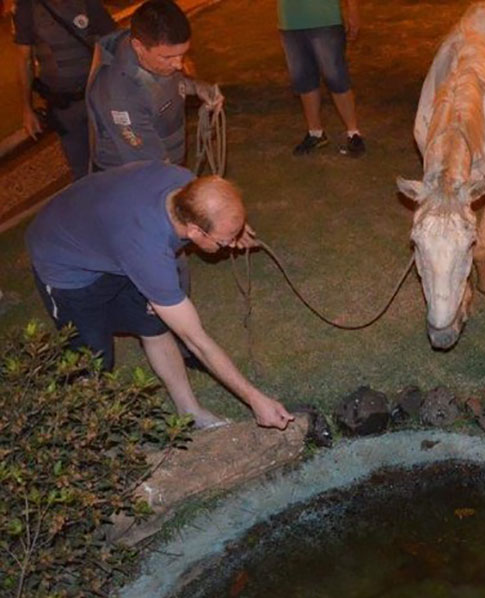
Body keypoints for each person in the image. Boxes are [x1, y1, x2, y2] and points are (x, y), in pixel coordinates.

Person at [25, 160, 294, 430]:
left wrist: (232, 228)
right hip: (64, 261)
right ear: (195, 231)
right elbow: (197, 341)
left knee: (154, 325)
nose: (229, 246)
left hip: (110, 235)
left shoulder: (187, 188)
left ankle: (190, 412)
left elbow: (213, 210)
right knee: (91, 360)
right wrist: (255, 399)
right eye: (224, 241)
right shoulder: (147, 251)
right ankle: (82, 439)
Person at [86, 0, 222, 171]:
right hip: (135, 179)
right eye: (168, 57)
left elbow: (169, 82)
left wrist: (196, 87)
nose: (179, 65)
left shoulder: (152, 48)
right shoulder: (121, 97)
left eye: (182, 54)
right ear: (139, 47)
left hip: (165, 160)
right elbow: (152, 169)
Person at [13, 0, 115, 179]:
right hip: (63, 106)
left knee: (111, 161)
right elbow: (24, 61)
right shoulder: (27, 8)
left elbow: (113, 40)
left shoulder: (87, 3)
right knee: (81, 169)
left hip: (98, 96)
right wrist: (27, 109)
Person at [277, 0, 365, 157]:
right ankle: (315, 132)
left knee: (336, 76)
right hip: (290, 21)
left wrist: (353, 10)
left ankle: (353, 132)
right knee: (303, 79)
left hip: (325, 19)